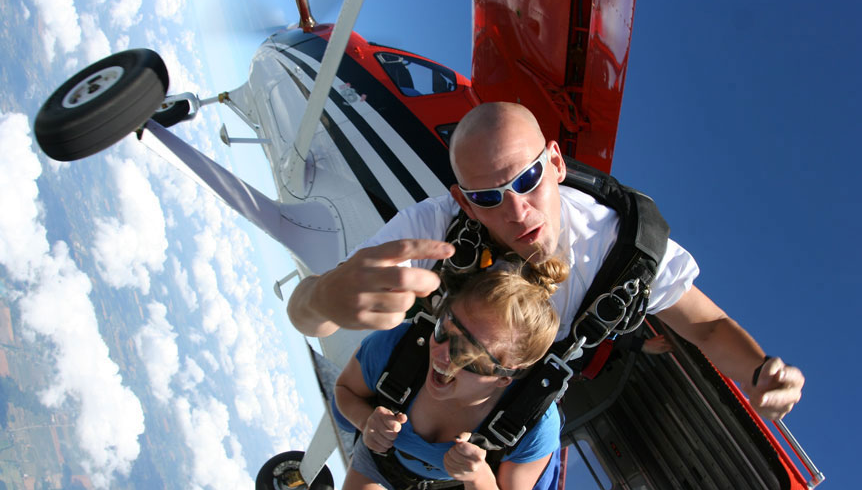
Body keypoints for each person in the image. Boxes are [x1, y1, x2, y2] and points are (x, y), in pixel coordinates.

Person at [288, 101, 804, 421]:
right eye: (487, 197)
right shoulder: (437, 229)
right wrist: (324, 296)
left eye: (527, 179)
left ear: (556, 163)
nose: (516, 210)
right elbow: (305, 313)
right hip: (446, 381)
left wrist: (758, 372)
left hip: (520, 399)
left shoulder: (625, 249)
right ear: (463, 202)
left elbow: (708, 327)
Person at [328, 259, 568, 490]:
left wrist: (478, 476)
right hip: (387, 459)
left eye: (467, 355)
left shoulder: (533, 421)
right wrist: (366, 420)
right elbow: (345, 390)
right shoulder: (400, 348)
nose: (441, 355)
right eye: (444, 330)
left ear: (504, 377)